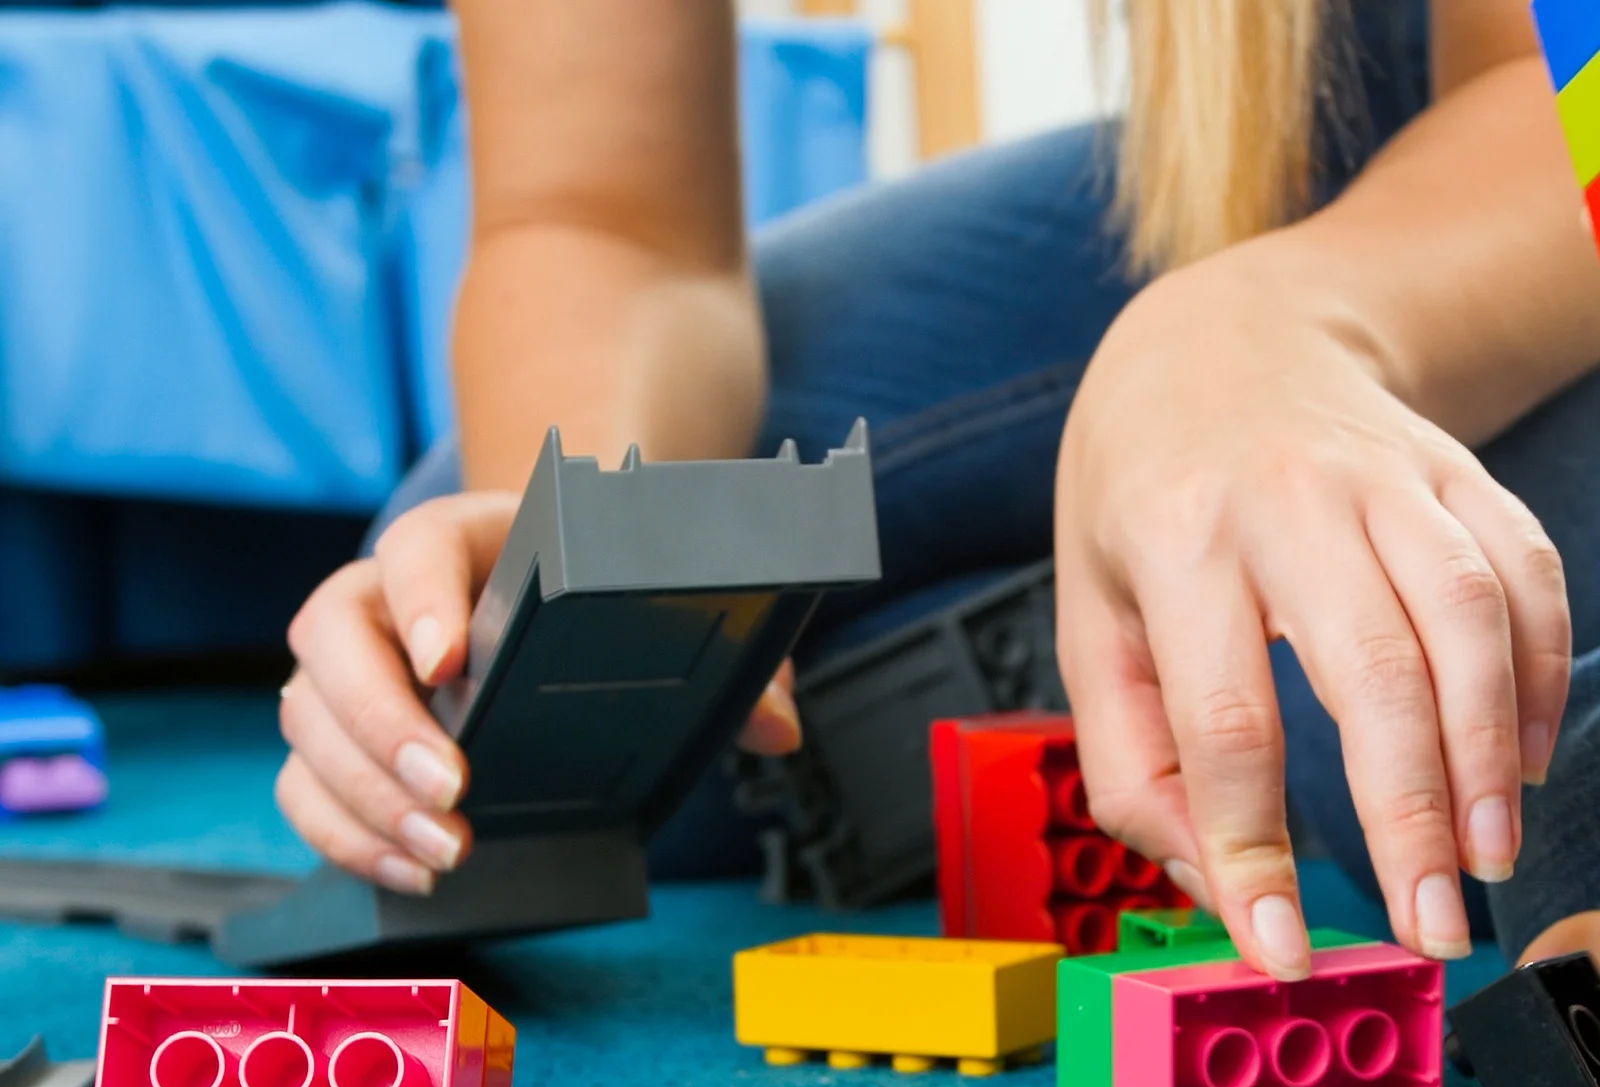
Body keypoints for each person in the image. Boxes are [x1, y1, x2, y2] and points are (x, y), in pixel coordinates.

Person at [274, 0, 1600, 980]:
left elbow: (1564, 88)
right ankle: (1141, 608)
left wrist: (1278, 330)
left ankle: (1201, 608)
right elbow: (601, 215)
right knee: (527, 671)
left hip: (1542, 113)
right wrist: (579, 549)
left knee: (1428, 713)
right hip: (1234, 159)